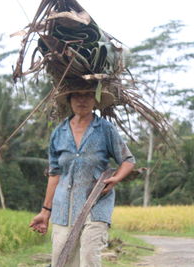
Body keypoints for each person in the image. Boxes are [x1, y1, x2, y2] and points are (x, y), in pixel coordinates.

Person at [29, 84, 135, 267]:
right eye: (77, 95)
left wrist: (116, 178)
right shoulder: (59, 133)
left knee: (88, 255)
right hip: (64, 207)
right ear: (69, 100)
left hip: (96, 202)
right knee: (62, 259)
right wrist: (45, 212)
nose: (82, 100)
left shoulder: (104, 129)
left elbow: (128, 160)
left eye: (88, 95)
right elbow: (54, 175)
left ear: (95, 100)